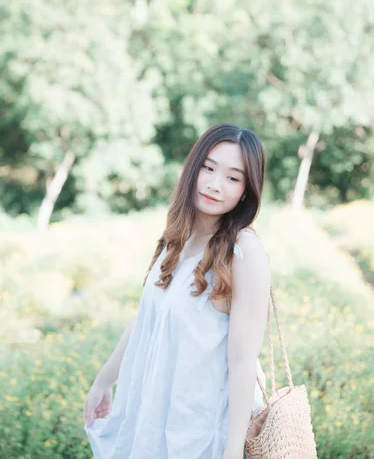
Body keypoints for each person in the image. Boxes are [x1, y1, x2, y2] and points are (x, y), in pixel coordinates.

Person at [83, 123, 271, 459]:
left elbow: (244, 360)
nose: (215, 184)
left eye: (232, 177)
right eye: (208, 168)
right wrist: (103, 381)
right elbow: (148, 321)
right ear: (193, 168)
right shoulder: (179, 237)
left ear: (246, 190)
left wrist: (231, 452)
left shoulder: (244, 250)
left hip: (201, 426)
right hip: (155, 414)